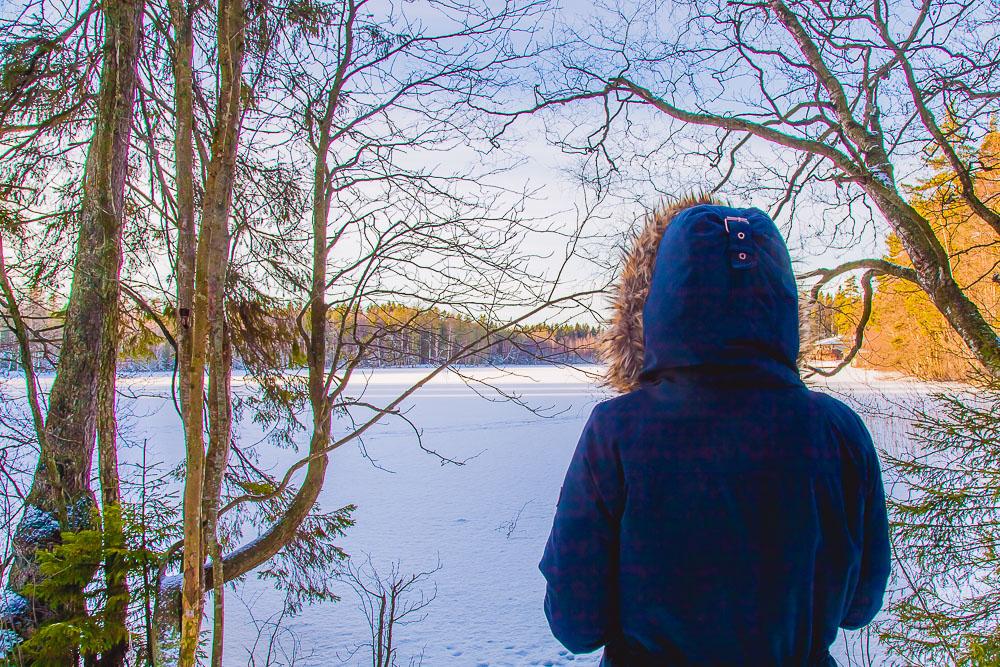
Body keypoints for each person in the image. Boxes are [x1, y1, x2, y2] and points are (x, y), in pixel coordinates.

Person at [539, 196, 891, 666]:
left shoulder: (618, 430)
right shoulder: (837, 430)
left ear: (656, 301)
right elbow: (859, 606)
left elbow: (576, 623)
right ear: (781, 299)